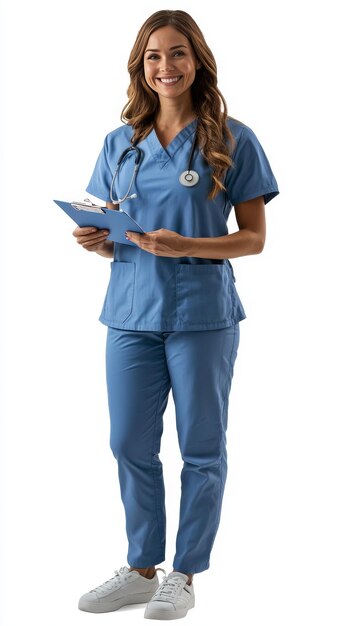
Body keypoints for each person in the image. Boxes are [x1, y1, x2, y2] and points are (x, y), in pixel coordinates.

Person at [73, 9, 279, 621]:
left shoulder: (232, 138)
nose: (167, 66)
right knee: (128, 442)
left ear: (199, 61)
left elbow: (255, 238)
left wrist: (185, 244)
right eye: (155, 56)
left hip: (201, 315)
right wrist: (100, 239)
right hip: (130, 312)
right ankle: (141, 568)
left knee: (200, 448)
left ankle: (183, 573)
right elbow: (115, 224)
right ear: (140, 66)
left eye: (179, 53)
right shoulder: (120, 143)